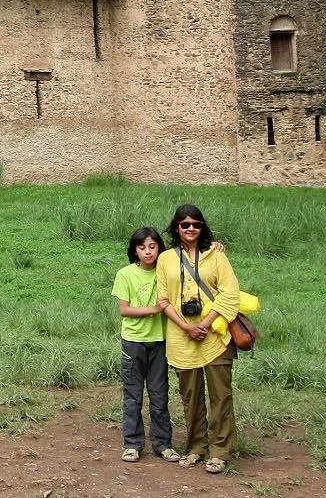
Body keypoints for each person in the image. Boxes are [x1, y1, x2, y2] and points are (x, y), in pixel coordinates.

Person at [157, 202, 241, 475]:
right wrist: (186, 326)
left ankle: (220, 451)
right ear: (176, 228)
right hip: (182, 337)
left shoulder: (216, 255)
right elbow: (163, 299)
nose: (190, 228)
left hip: (215, 336)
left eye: (196, 224)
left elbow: (230, 293)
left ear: (202, 227)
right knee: (190, 397)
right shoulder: (165, 259)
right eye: (185, 224)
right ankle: (196, 447)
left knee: (220, 396)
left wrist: (204, 324)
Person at [111, 227, 179, 463]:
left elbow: (188, 256)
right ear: (135, 250)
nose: (148, 252)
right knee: (133, 396)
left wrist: (214, 246)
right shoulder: (125, 274)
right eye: (142, 247)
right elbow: (124, 310)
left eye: (152, 246)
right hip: (133, 342)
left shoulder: (166, 272)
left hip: (159, 341)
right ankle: (132, 444)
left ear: (160, 248)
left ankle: (163, 444)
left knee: (160, 395)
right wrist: (154, 310)